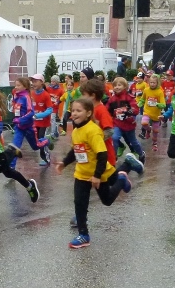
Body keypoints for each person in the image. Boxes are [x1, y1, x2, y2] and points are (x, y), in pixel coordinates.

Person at [55, 97, 132, 249]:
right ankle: (84, 235)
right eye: (73, 110)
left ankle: (122, 179)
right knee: (79, 203)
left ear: (89, 113)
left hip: (99, 173)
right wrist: (64, 163)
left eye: (79, 111)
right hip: (81, 173)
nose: (74, 113)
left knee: (107, 200)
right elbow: (76, 150)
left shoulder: (93, 131)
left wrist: (97, 176)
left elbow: (102, 155)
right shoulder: (76, 131)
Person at [5, 77, 51, 169]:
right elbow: (15, 108)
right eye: (15, 85)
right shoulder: (17, 96)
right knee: (14, 147)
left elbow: (31, 112)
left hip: (29, 127)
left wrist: (20, 120)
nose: (16, 87)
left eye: (18, 85)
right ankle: (11, 167)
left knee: (36, 146)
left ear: (25, 87)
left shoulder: (26, 97)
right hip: (19, 128)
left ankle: (47, 141)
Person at [106, 77, 146, 164]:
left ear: (125, 86)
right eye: (115, 85)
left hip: (129, 124)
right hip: (117, 124)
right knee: (114, 137)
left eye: (119, 85)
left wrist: (128, 111)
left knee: (133, 142)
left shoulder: (129, 97)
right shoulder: (112, 99)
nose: (117, 87)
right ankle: (113, 157)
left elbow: (136, 109)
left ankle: (141, 154)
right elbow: (107, 111)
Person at [80, 79, 116, 166]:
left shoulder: (101, 110)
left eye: (84, 94)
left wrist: (95, 141)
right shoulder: (89, 110)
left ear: (93, 95)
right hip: (95, 155)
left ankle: (127, 166)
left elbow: (109, 131)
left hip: (106, 157)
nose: (81, 97)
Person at [30, 74, 54, 166]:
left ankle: (46, 159)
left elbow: (50, 110)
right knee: (37, 141)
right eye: (33, 81)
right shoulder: (32, 94)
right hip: (35, 123)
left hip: (44, 123)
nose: (33, 83)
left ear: (41, 82)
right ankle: (49, 141)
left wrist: (39, 115)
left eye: (36, 81)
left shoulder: (46, 95)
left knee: (41, 140)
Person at [138, 74, 166, 151]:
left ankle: (154, 143)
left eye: (154, 83)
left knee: (155, 131)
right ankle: (148, 130)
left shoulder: (160, 92)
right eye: (151, 82)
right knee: (144, 123)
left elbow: (163, 104)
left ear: (157, 83)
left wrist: (157, 104)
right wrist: (140, 103)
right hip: (147, 112)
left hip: (156, 114)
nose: (152, 84)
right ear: (149, 82)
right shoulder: (146, 90)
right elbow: (142, 99)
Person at [47, 75, 63, 139]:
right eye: (51, 81)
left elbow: (63, 97)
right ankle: (55, 131)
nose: (52, 83)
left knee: (52, 119)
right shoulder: (48, 88)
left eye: (53, 81)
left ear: (57, 82)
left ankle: (52, 133)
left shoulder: (60, 90)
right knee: (49, 119)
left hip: (55, 107)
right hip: (48, 106)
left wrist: (58, 102)